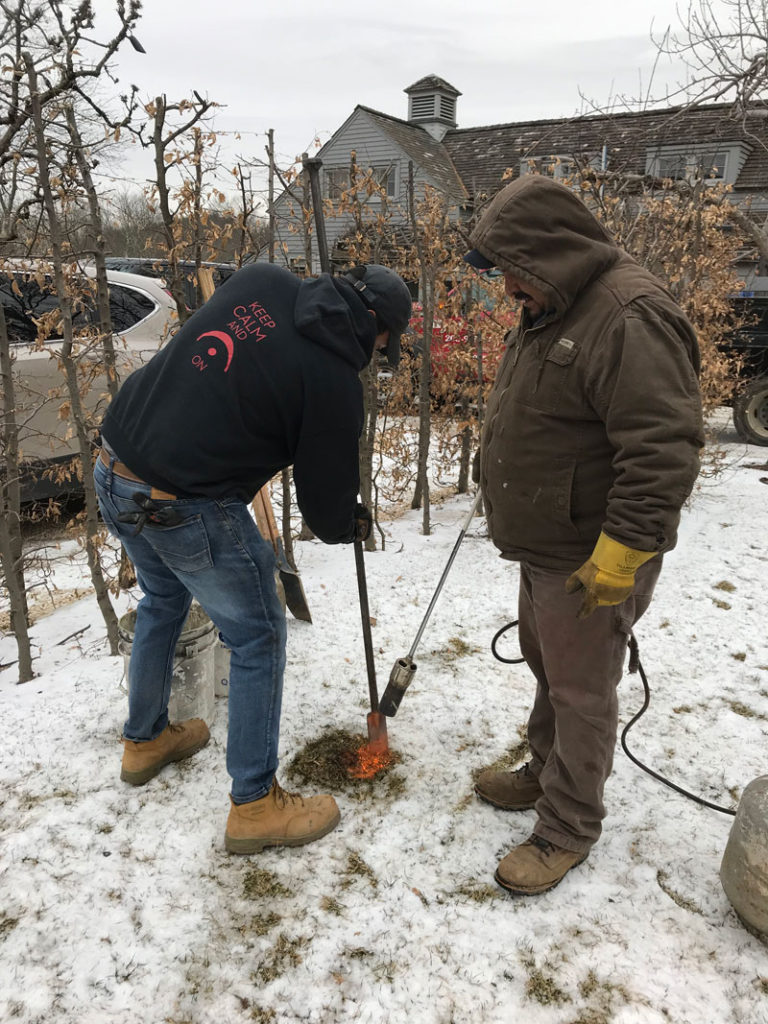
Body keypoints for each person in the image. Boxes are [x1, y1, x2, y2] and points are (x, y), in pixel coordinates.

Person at [94, 262, 412, 854]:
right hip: (183, 500)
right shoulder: (335, 377)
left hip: (114, 466)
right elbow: (325, 513)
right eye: (386, 344)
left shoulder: (262, 281)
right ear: (377, 328)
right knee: (259, 637)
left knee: (163, 597)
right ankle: (255, 804)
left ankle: (144, 741)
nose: (379, 354)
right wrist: (352, 520)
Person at [463, 175, 703, 895]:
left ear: (549, 253)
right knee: (552, 674)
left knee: (583, 691)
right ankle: (546, 771)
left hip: (592, 555)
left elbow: (663, 448)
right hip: (548, 544)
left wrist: (622, 554)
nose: (507, 286)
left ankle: (568, 823)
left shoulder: (629, 315)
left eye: (514, 269)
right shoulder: (557, 302)